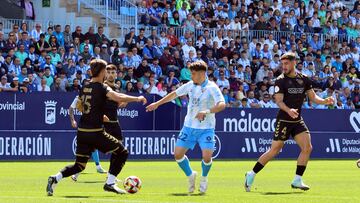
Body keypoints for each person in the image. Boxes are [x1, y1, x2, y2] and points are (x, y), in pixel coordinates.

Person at [46, 59, 147, 196]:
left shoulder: (84, 87)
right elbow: (117, 96)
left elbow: (83, 107)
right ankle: (110, 183)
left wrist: (99, 115)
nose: (107, 73)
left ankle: (54, 178)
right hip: (96, 132)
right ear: (101, 72)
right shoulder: (102, 87)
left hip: (82, 132)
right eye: (106, 70)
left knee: (79, 165)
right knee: (122, 152)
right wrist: (137, 98)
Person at [244, 52, 334, 192]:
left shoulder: (304, 79)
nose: (284, 66)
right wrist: (289, 110)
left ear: (294, 63)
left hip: (297, 120)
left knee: (307, 147)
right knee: (274, 150)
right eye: (282, 63)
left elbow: (314, 98)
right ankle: (251, 173)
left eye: (286, 63)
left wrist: (325, 101)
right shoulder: (280, 80)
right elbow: (279, 102)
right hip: (284, 119)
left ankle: (297, 179)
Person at [146, 61, 226, 194]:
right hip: (188, 126)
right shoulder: (190, 85)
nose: (191, 77)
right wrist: (157, 104)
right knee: (177, 155)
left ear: (202, 74)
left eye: (193, 74)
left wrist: (206, 111)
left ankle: (204, 178)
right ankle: (190, 175)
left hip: (206, 128)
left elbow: (222, 104)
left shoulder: (212, 87)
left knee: (206, 157)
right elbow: (174, 94)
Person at [68, 95, 107, 182]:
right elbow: (71, 108)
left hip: (95, 125)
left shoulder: (97, 94)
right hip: (87, 126)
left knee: (92, 148)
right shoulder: (79, 96)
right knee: (89, 149)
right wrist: (72, 120)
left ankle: (99, 168)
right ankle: (110, 176)